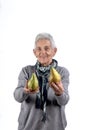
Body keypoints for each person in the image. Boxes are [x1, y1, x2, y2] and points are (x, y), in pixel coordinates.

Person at [13, 33, 70, 130]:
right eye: (39, 49)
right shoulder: (26, 71)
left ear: (54, 51)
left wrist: (59, 93)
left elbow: (64, 100)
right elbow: (18, 97)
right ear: (34, 52)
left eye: (47, 48)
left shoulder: (62, 72)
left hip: (55, 127)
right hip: (28, 126)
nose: (42, 52)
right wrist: (24, 91)